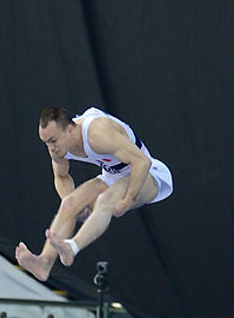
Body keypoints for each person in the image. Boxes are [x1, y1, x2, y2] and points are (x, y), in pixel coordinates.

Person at [16, 106, 173, 281]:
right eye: (46, 142)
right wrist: (78, 209)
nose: (51, 148)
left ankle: (72, 247)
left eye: (53, 141)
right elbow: (61, 176)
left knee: (105, 200)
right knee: (69, 203)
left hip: (150, 173)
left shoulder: (97, 132)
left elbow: (142, 162)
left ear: (70, 129)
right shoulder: (57, 148)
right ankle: (44, 262)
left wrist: (129, 198)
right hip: (113, 175)